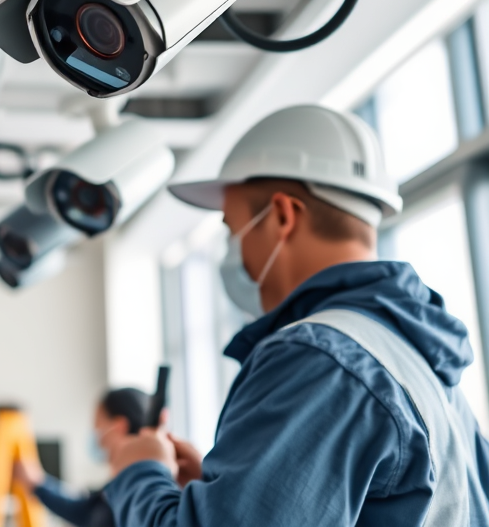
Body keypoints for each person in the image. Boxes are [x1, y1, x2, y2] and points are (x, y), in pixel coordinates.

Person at [103, 104, 489, 526]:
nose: (234, 254)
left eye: (233, 232)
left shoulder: (318, 360)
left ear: (283, 216)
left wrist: (138, 473)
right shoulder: (422, 367)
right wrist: (222, 492)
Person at [15, 388, 189, 527]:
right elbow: (86, 511)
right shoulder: (122, 485)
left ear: (119, 426)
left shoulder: (139, 487)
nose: (96, 436)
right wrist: (38, 484)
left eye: (98, 426)